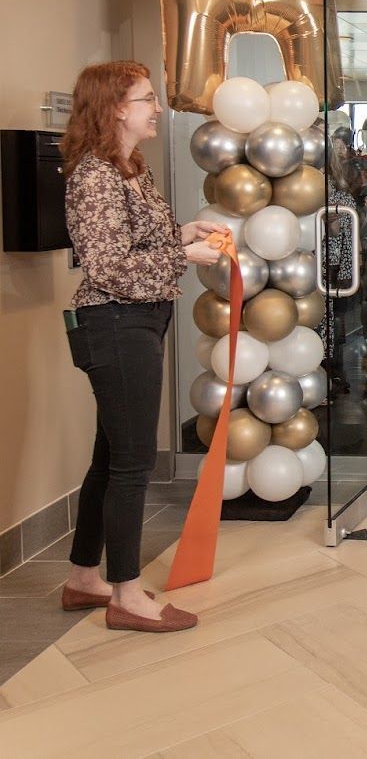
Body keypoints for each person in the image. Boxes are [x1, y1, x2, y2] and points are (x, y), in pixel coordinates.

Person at [59, 60, 223, 633]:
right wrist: (183, 258)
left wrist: (185, 235)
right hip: (114, 322)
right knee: (133, 465)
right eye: (147, 99)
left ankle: (84, 578)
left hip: (140, 319)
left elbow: (139, 241)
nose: (157, 108)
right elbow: (107, 267)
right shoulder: (94, 176)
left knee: (110, 456)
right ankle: (127, 596)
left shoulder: (129, 167)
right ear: (115, 108)